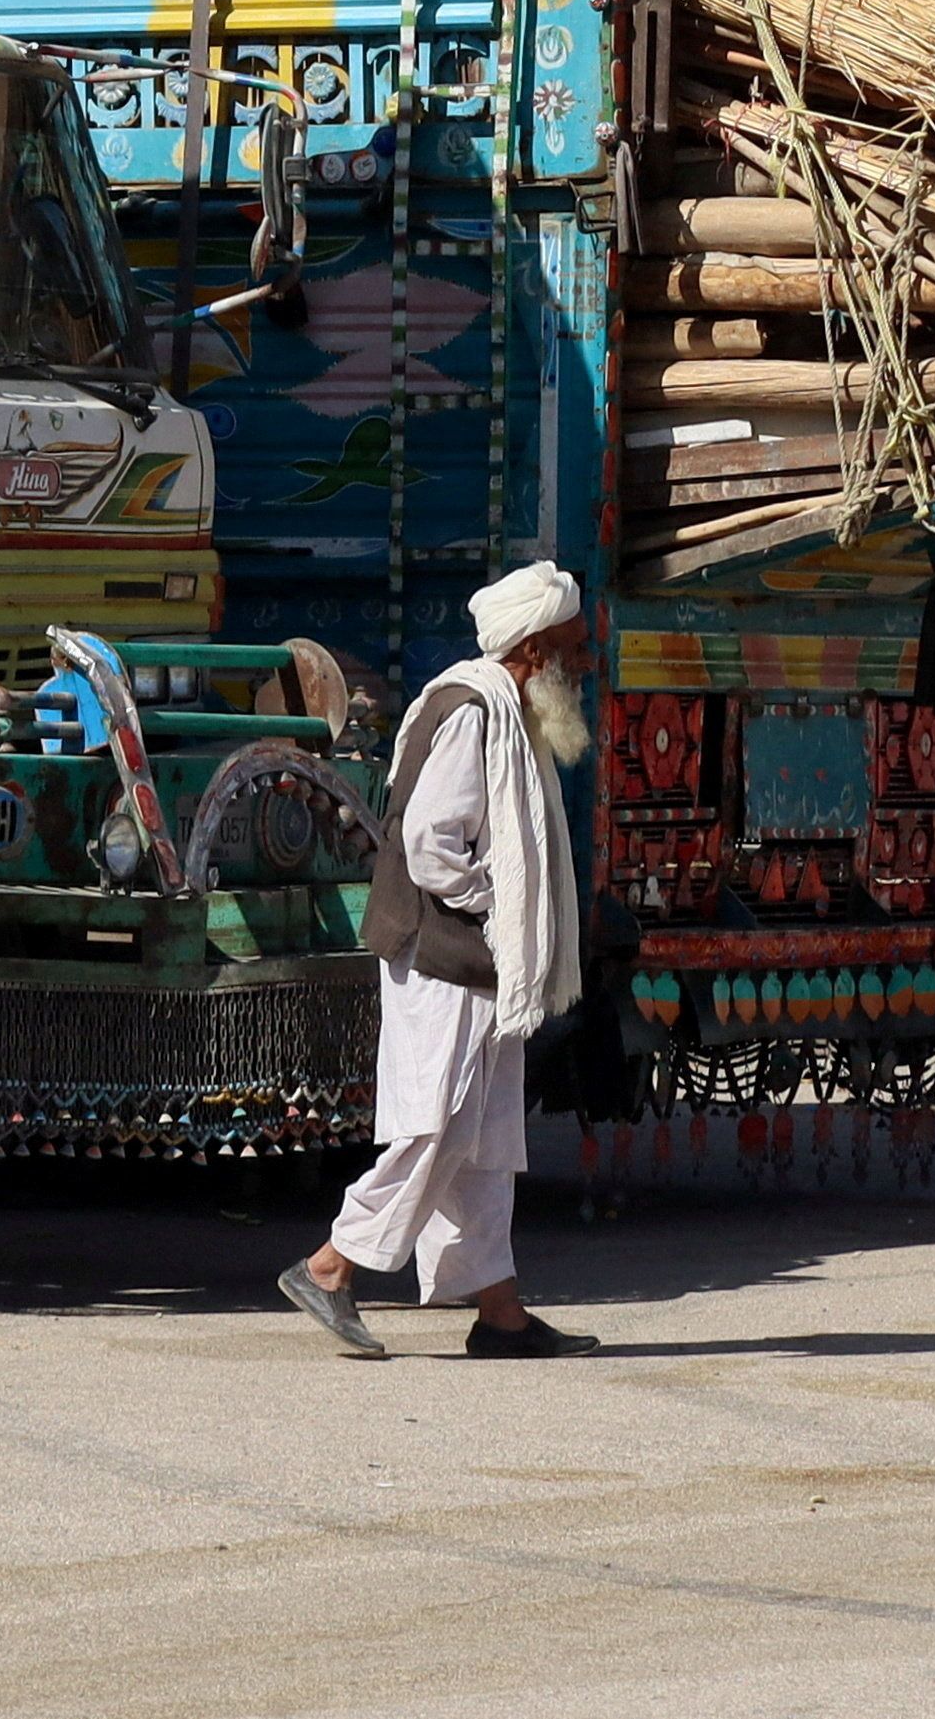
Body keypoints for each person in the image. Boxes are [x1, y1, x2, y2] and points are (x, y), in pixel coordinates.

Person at [284, 563, 600, 1360]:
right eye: (575, 647)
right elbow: (430, 845)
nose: (586, 663)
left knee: (484, 1138)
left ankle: (500, 1313)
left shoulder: (508, 710)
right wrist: (502, 903)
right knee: (438, 1125)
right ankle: (329, 1265)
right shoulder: (471, 712)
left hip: (480, 961)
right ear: (533, 649)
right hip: (443, 954)